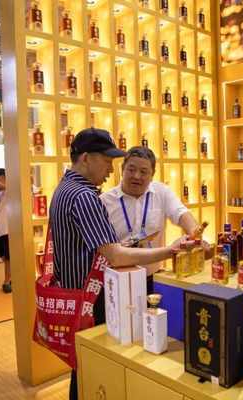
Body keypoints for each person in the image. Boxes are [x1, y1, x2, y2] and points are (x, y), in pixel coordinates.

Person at [49, 128, 189, 400]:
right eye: (107, 161)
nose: (110, 170)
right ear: (86, 158)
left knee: (85, 361)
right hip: (93, 297)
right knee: (97, 360)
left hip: (73, 293)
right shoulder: (86, 197)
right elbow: (115, 256)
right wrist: (170, 251)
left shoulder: (64, 188)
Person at [100, 146, 210, 293]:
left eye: (143, 172)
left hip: (153, 277)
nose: (137, 176)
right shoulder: (104, 201)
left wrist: (194, 231)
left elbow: (181, 213)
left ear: (152, 174)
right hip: (117, 281)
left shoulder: (161, 192)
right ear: (122, 169)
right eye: (131, 170)